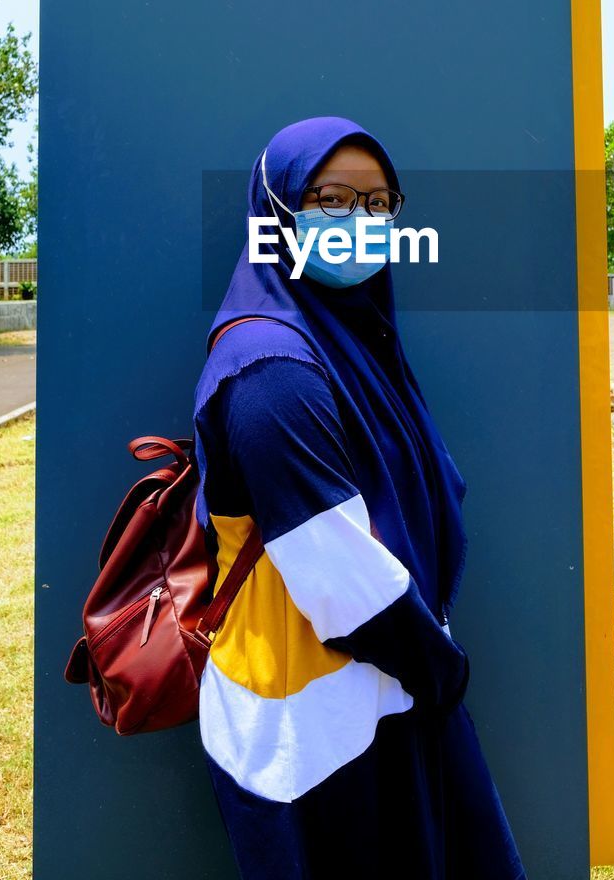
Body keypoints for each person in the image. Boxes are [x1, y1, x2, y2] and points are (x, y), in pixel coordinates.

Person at [192, 116, 527, 880]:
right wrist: (442, 670)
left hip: (382, 689)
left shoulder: (348, 336)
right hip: (313, 728)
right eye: (332, 198)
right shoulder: (270, 369)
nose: (359, 223)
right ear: (277, 211)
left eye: (378, 204)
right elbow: (337, 579)